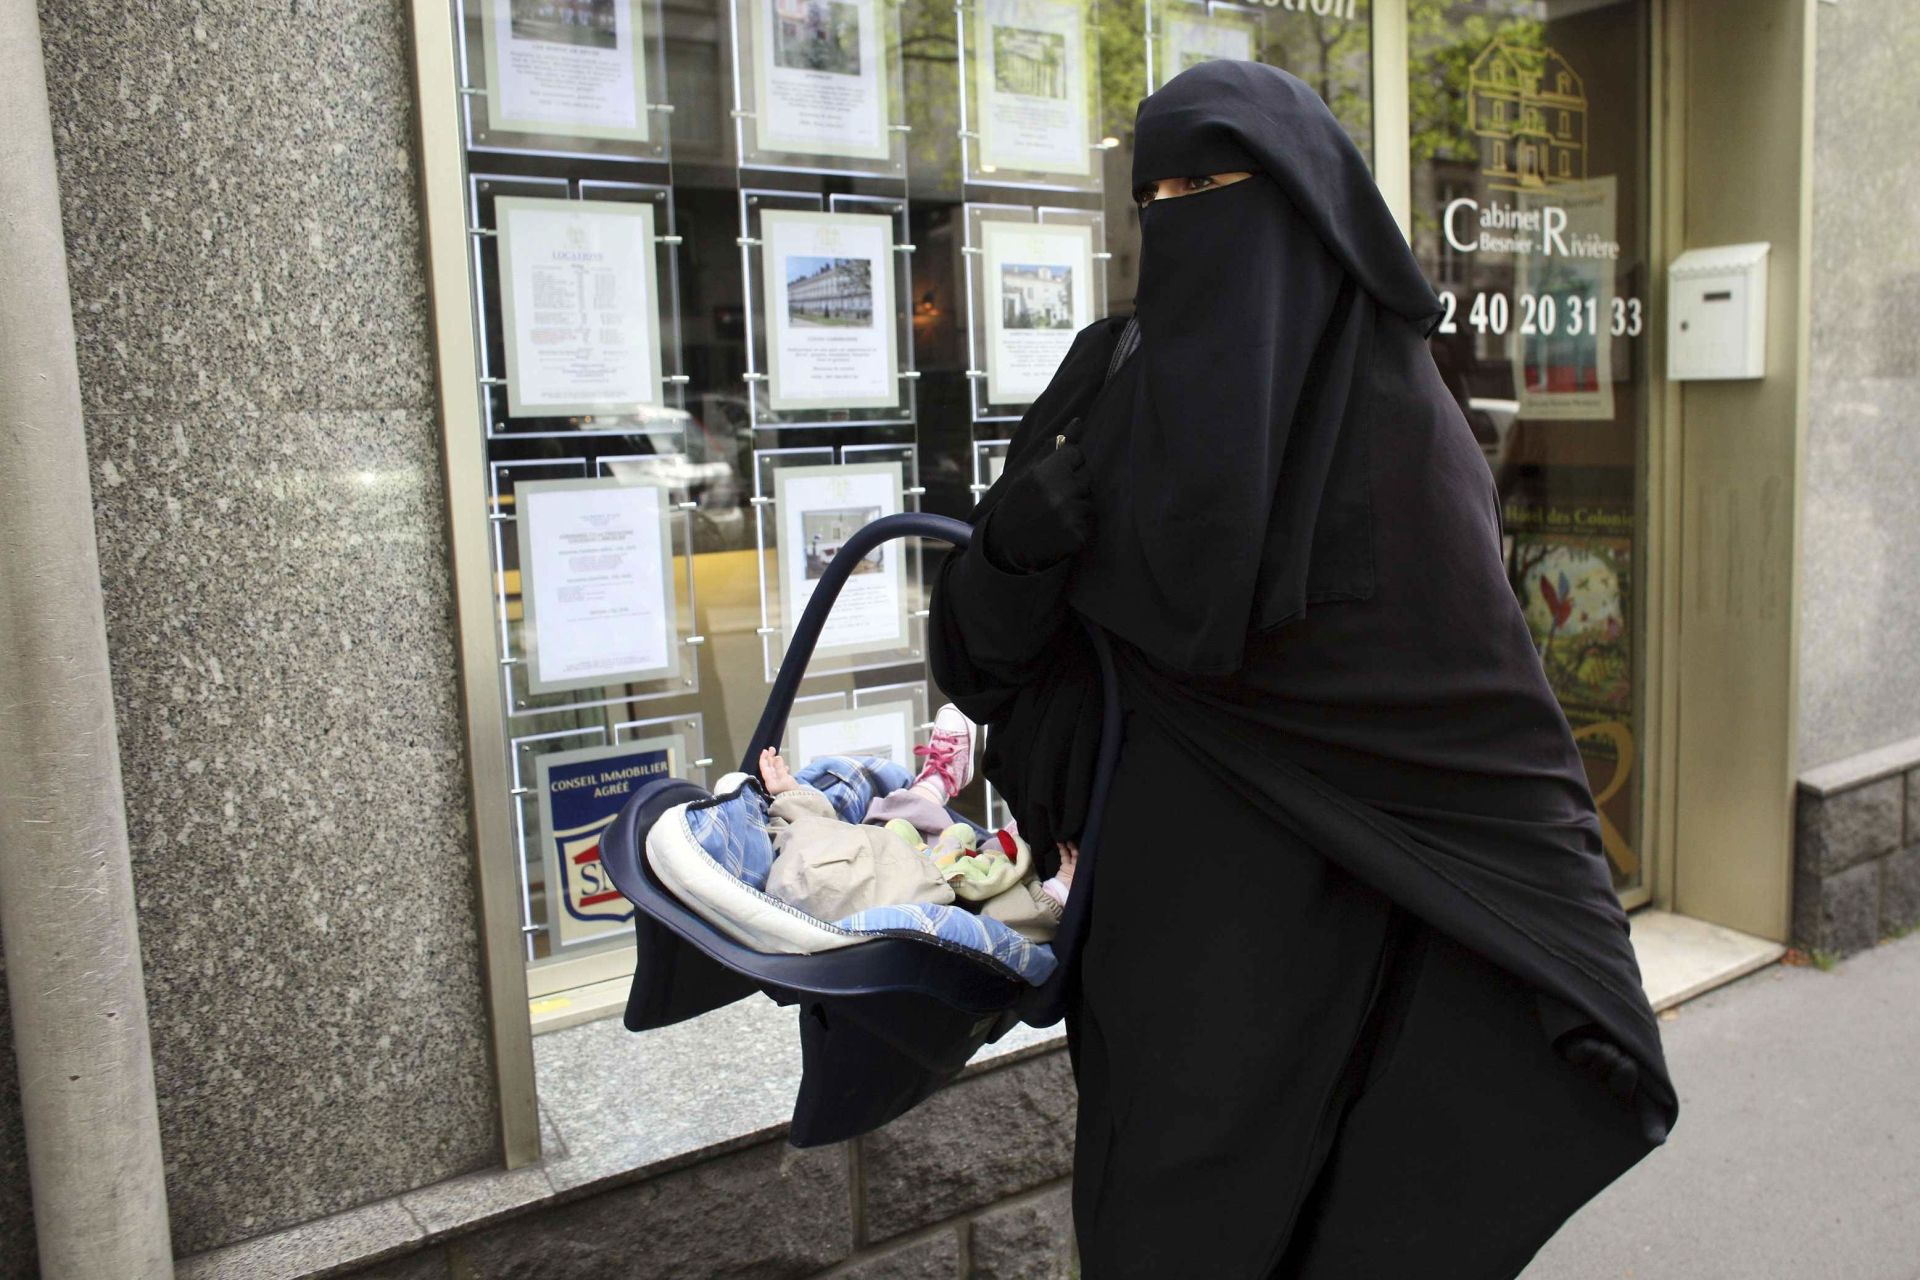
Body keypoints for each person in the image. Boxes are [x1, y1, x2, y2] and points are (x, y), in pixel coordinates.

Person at [926, 59, 1677, 1279]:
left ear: (1294, 202)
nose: (1177, 218)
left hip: (1351, 947)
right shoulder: (1104, 390)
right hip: (1155, 958)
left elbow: (1485, 728)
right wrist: (1013, 549)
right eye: (1153, 194)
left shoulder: (1400, 437)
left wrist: (1579, 959)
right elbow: (982, 665)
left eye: (1205, 184)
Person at [754, 703, 1076, 943]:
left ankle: (935, 783)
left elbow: (806, 829)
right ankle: (1017, 829)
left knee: (888, 813)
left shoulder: (799, 873)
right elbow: (1001, 927)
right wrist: (1058, 890)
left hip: (886, 840)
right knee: (1004, 875)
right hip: (950, 878)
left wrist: (789, 794)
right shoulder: (924, 916)